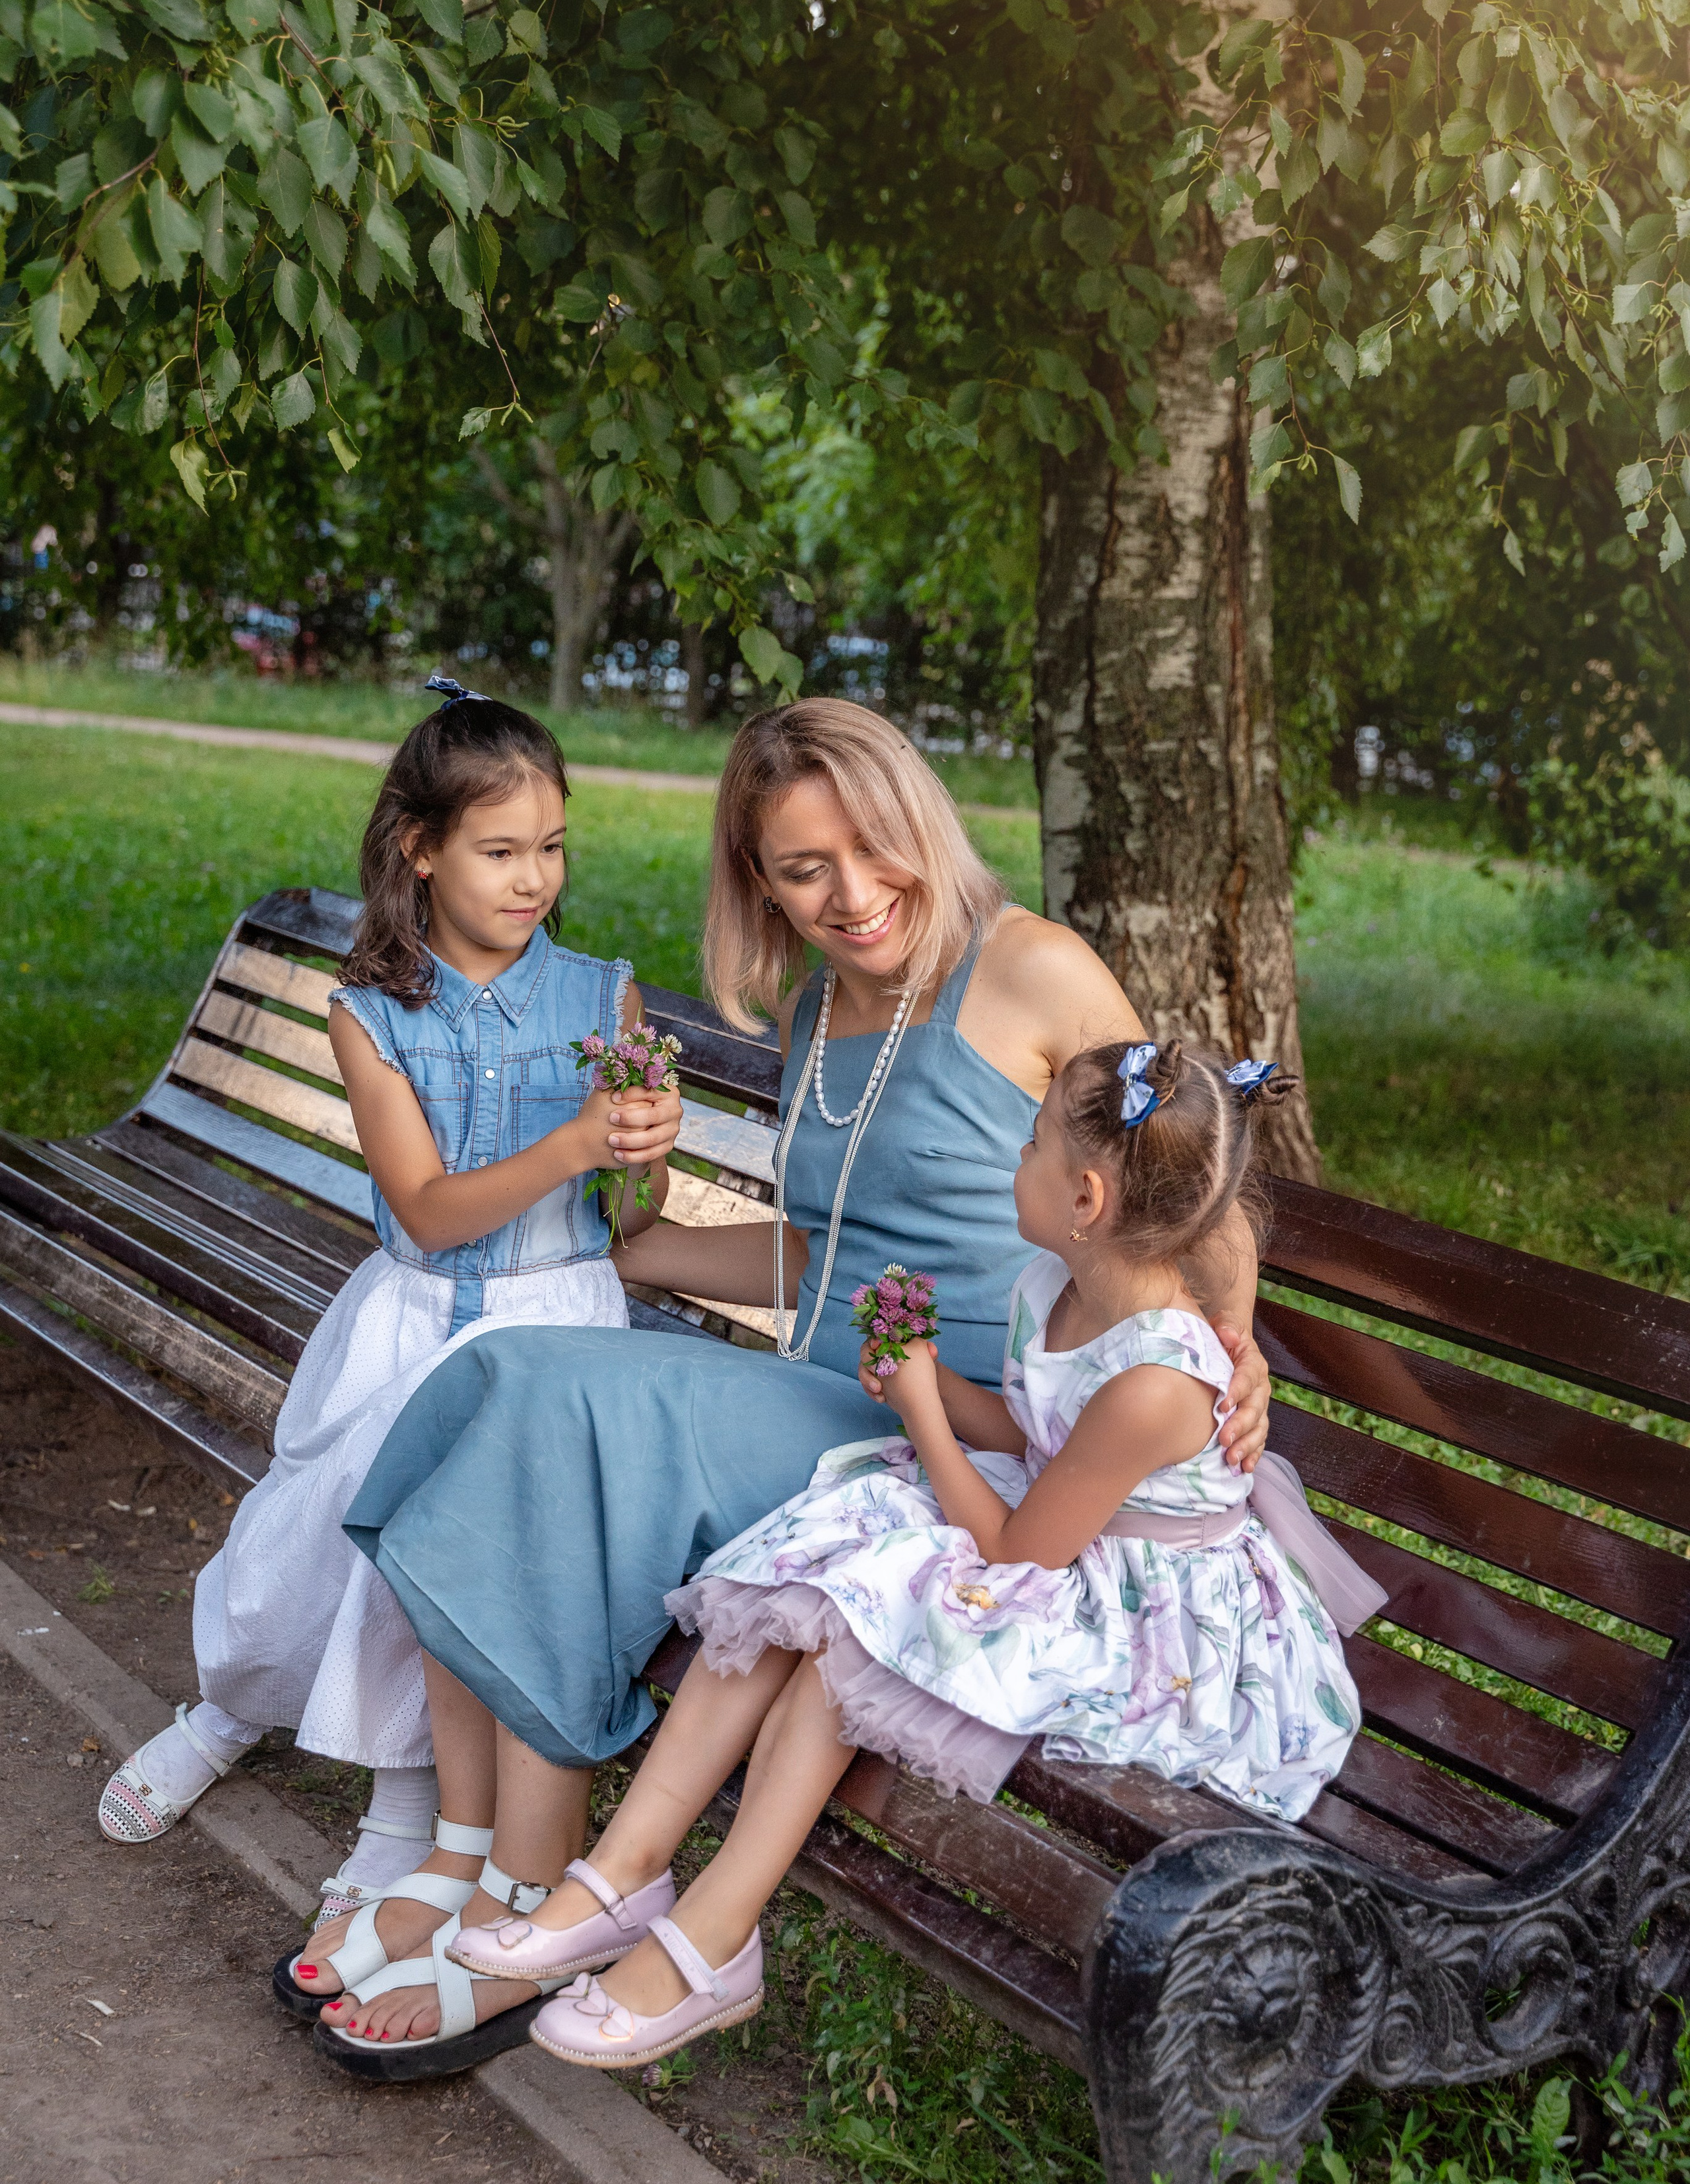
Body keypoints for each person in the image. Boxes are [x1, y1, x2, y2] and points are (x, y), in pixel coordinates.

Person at [307, 700, 1276, 2073]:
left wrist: (1240, 1352)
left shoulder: (1030, 970)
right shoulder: (828, 1000)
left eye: (871, 850)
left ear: (920, 825)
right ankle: (481, 1857)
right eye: (800, 869)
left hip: (950, 1432)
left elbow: (1183, 1180)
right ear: (756, 877)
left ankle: (531, 1886)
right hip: (823, 1396)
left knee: (556, 1405)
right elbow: (827, 1249)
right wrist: (642, 1237)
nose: (851, 896)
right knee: (501, 1379)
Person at [450, 1037, 1379, 2073]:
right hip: (1065, 1539)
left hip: (1160, 1627)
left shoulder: (1159, 1382)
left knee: (861, 1627)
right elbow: (1035, 1437)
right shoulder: (1055, 1284)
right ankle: (624, 1874)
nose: (1009, 1165)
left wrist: (929, 1418)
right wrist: (928, 1384)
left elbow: (1021, 1550)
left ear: (1084, 1196)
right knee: (815, 1564)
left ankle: (715, 1938)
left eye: (1026, 1147)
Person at [96, 679, 681, 1954]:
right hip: (416, 1322)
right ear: (421, 849)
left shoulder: (602, 994)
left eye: (553, 848)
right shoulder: (370, 1012)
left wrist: (642, 1143)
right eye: (501, 851)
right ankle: (226, 1714)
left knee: (444, 1581)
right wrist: (577, 1136)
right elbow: (423, 1210)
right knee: (306, 1547)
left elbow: (633, 1211)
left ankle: (398, 1820)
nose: (535, 878)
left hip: (558, 1332)